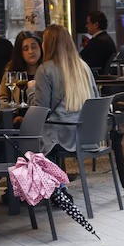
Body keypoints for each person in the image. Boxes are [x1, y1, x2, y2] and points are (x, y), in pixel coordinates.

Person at [31, 25, 97, 158]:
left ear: (48, 44)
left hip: (60, 137)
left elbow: (39, 111)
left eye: (43, 41)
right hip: (87, 136)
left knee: (18, 138)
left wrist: (30, 90)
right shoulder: (84, 67)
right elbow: (95, 98)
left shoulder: (45, 70)